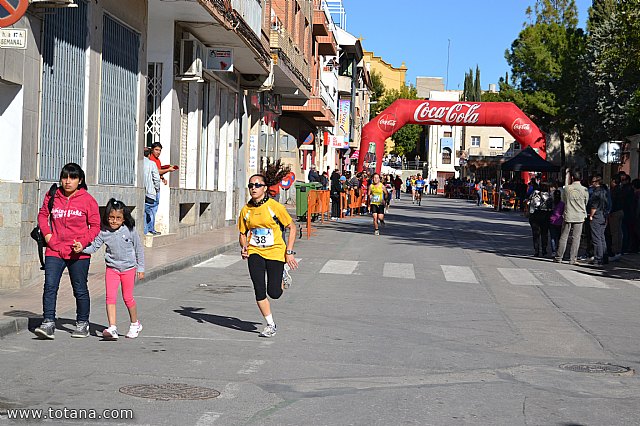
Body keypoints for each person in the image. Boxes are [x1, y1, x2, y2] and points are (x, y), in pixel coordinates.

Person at [34, 163, 101, 340]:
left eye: (72, 178)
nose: (67, 181)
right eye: (64, 177)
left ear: (80, 180)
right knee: (50, 286)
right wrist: (48, 236)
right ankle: (48, 322)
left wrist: (83, 242)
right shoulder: (53, 195)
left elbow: (95, 226)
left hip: (78, 253)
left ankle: (82, 323)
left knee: (79, 288)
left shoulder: (87, 200)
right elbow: (42, 215)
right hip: (54, 250)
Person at [238, 174, 298, 338]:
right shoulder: (246, 210)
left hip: (276, 251)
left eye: (257, 185)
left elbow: (292, 227)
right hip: (255, 252)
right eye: (251, 185)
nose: (253, 188)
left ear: (264, 188)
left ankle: (282, 276)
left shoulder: (275, 206)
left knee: (274, 293)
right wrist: (244, 246)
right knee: (259, 289)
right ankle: (270, 324)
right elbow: (242, 233)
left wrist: (289, 252)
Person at [77, 199, 145, 339]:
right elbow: (94, 247)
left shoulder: (130, 230)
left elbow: (139, 249)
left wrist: (141, 267)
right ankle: (112, 327)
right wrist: (81, 249)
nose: (114, 221)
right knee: (110, 297)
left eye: (118, 218)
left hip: (128, 269)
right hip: (112, 268)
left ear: (124, 218)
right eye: (111, 218)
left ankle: (135, 324)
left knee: (127, 297)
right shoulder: (103, 232)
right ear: (107, 217)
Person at [554, 170, 589, 264]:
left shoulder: (567, 189)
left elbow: (563, 200)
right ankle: (572, 259)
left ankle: (559, 257)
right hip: (579, 215)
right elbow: (586, 202)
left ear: (572, 178)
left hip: (568, 214)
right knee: (576, 238)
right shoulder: (585, 190)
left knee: (564, 236)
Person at [148, 142, 178, 235]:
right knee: (151, 209)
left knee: (154, 208)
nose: (158, 152)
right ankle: (150, 229)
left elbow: (158, 173)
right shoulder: (151, 159)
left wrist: (162, 178)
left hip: (156, 187)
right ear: (152, 149)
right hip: (151, 188)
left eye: (160, 150)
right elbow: (156, 171)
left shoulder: (157, 160)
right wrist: (168, 170)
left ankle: (151, 228)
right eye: (156, 150)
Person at [583, 175, 609, 266]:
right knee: (602, 237)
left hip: (597, 216)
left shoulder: (596, 193)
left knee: (596, 238)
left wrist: (591, 216)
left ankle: (598, 258)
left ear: (597, 182)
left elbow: (594, 206)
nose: (592, 183)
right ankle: (604, 256)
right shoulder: (604, 191)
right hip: (603, 215)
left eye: (593, 182)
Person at [527, 183, 553, 257]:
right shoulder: (549, 195)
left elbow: (530, 202)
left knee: (536, 234)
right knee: (544, 233)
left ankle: (536, 250)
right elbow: (551, 206)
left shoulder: (534, 194)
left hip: (535, 215)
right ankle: (544, 250)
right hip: (545, 215)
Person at [143, 148, 161, 235]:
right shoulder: (152, 164)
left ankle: (144, 231)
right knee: (150, 211)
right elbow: (156, 178)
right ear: (149, 155)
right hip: (150, 193)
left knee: (143, 210)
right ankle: (150, 230)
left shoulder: (137, 163)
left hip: (140, 192)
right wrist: (157, 189)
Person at [549, 189, 564, 258]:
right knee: (559, 237)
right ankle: (559, 250)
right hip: (559, 221)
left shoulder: (552, 202)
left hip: (552, 220)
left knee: (553, 237)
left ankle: (553, 251)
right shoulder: (562, 204)